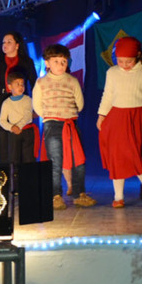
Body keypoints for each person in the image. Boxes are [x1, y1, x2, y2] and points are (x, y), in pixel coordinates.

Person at [97, 36, 142, 207]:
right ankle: (118, 196)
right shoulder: (112, 73)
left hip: (138, 118)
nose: (124, 65)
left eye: (129, 61)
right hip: (117, 119)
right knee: (117, 157)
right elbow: (108, 95)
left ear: (138, 56)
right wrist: (101, 115)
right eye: (120, 61)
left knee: (137, 155)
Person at [33, 44, 95, 210]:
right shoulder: (41, 83)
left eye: (63, 61)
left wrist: (69, 113)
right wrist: (49, 115)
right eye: (56, 61)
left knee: (78, 160)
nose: (60, 65)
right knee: (55, 161)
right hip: (52, 124)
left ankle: (79, 194)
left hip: (71, 124)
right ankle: (55, 196)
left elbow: (79, 103)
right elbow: (37, 105)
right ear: (47, 63)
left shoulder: (72, 81)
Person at [0, 32, 37, 163]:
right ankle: (6, 178)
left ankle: (22, 178)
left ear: (17, 45)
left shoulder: (26, 62)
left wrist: (36, 108)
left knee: (21, 147)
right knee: (3, 145)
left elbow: (35, 84)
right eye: (3, 42)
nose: (5, 45)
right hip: (0, 105)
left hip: (20, 106)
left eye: (8, 42)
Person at [0, 71, 37, 165]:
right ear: (10, 87)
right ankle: (15, 178)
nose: (21, 86)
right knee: (14, 158)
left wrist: (19, 126)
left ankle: (29, 178)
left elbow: (27, 115)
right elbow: (2, 120)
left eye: (22, 84)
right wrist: (12, 127)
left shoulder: (27, 100)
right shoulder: (6, 103)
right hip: (14, 133)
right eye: (17, 84)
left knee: (29, 158)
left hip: (27, 131)